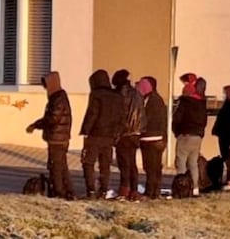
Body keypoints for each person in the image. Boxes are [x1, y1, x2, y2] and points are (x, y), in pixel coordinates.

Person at [26, 71, 75, 200]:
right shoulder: (58, 98)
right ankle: (68, 191)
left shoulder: (58, 99)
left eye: (47, 85)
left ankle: (59, 192)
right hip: (59, 138)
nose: (46, 89)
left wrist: (36, 125)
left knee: (56, 167)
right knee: (61, 166)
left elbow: (52, 118)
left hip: (57, 139)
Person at [79, 69, 123, 199]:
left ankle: (91, 190)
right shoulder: (117, 96)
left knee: (88, 162)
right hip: (109, 136)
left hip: (94, 134)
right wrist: (116, 134)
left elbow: (92, 114)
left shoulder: (96, 94)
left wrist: (85, 131)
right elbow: (121, 118)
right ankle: (103, 190)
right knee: (105, 164)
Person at [112, 69, 146, 202]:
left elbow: (120, 115)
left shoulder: (120, 94)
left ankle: (124, 190)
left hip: (124, 133)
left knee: (124, 164)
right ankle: (134, 190)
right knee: (132, 164)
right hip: (136, 133)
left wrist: (117, 132)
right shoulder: (137, 93)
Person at [173, 75, 207, 197]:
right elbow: (204, 120)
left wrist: (177, 132)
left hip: (185, 135)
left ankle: (182, 187)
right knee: (193, 163)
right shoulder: (202, 103)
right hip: (197, 136)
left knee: (181, 161)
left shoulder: (184, 102)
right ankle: (195, 188)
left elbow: (177, 119)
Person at [137, 76, 167, 200]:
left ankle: (151, 191)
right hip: (156, 138)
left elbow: (147, 119)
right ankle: (154, 191)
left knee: (151, 167)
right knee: (154, 167)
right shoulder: (155, 99)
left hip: (151, 138)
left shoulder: (152, 100)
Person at [211, 85, 230, 191]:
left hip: (228, 136)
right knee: (228, 158)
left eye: (226, 92)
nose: (224, 94)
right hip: (225, 135)